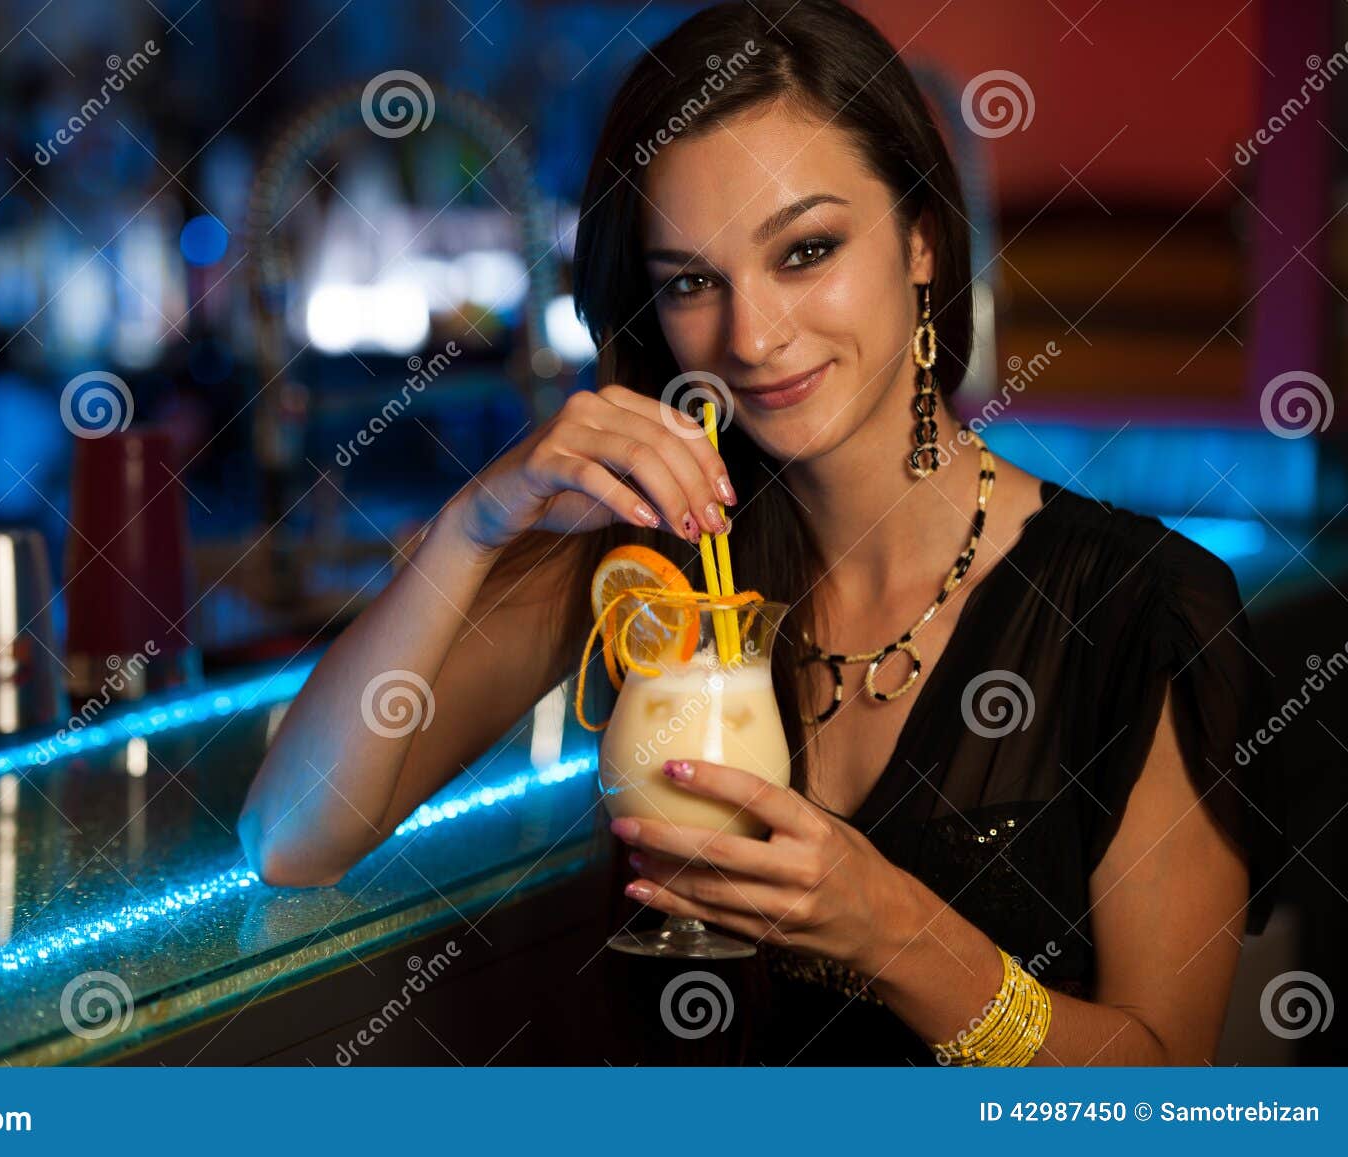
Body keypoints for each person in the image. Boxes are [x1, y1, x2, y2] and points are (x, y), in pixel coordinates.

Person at [240, 0, 1285, 1065]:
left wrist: (893, 933)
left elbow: (1164, 1097)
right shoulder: (654, 564)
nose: (751, 335)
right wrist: (474, 525)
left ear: (921, 241)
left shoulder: (1141, 608)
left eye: (807, 250)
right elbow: (292, 837)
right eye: (693, 281)